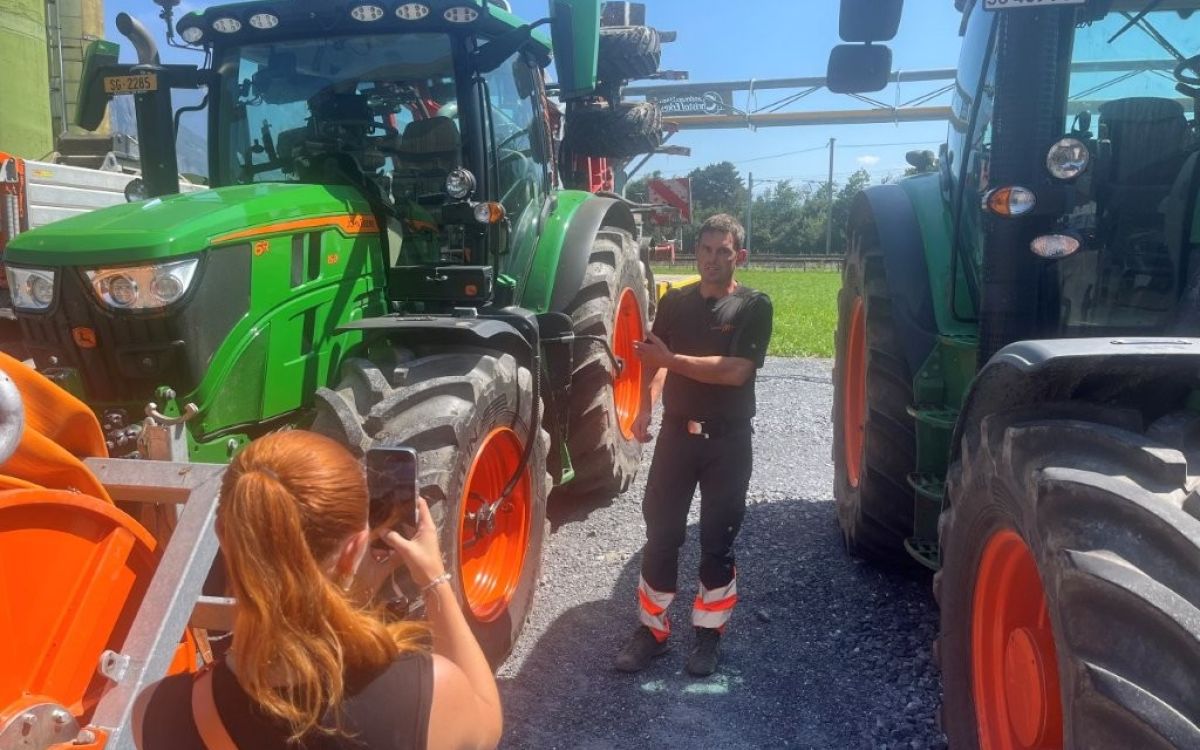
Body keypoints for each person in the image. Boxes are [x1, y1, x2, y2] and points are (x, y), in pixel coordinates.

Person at [134, 430, 502, 750]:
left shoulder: (154, 712)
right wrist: (433, 578)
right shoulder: (431, 693)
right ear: (354, 549)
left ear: (223, 538)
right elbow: (487, 724)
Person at [614, 213, 773, 677]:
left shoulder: (752, 306)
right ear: (695, 251)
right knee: (661, 535)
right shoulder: (676, 302)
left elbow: (735, 371)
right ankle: (651, 631)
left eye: (723, 251)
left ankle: (708, 636)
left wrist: (670, 360)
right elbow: (653, 359)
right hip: (676, 438)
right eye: (705, 249)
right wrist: (645, 404)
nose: (712, 259)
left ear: (738, 256)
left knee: (716, 543)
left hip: (728, 443)